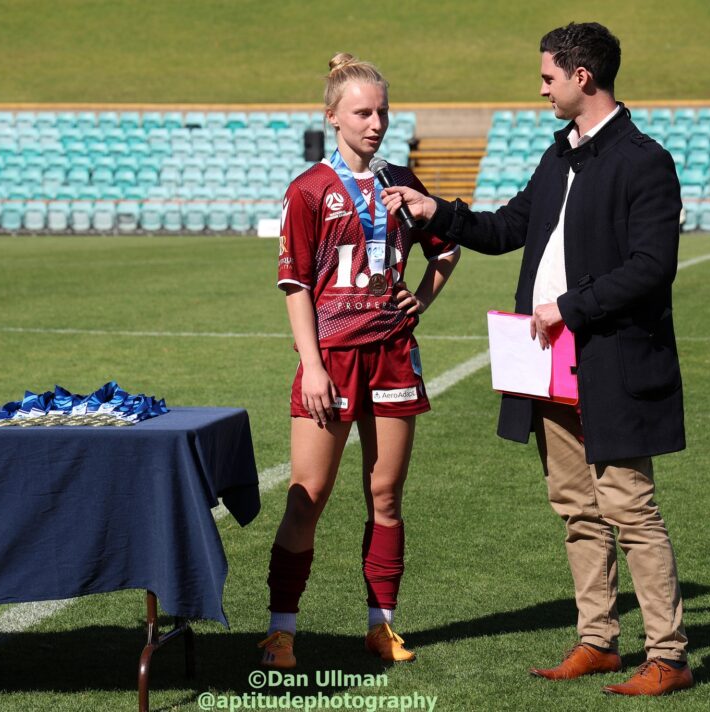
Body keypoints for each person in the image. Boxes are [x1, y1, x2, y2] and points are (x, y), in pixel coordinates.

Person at [381, 22, 693, 696]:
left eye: (549, 75)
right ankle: (598, 641)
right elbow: (506, 229)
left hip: (611, 360)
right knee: (576, 509)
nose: (541, 86)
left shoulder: (644, 161)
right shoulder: (557, 157)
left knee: (630, 510)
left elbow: (651, 268)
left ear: (584, 76)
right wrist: (434, 210)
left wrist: (570, 307)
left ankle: (667, 654)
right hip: (545, 361)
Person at [259, 52, 460, 670]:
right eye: (363, 112)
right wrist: (312, 365)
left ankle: (381, 626)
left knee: (386, 493)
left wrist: (419, 301)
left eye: (383, 112)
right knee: (307, 495)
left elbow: (447, 249)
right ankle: (281, 631)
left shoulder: (403, 184)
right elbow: (296, 286)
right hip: (333, 360)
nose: (376, 123)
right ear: (333, 117)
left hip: (394, 355)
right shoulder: (309, 190)